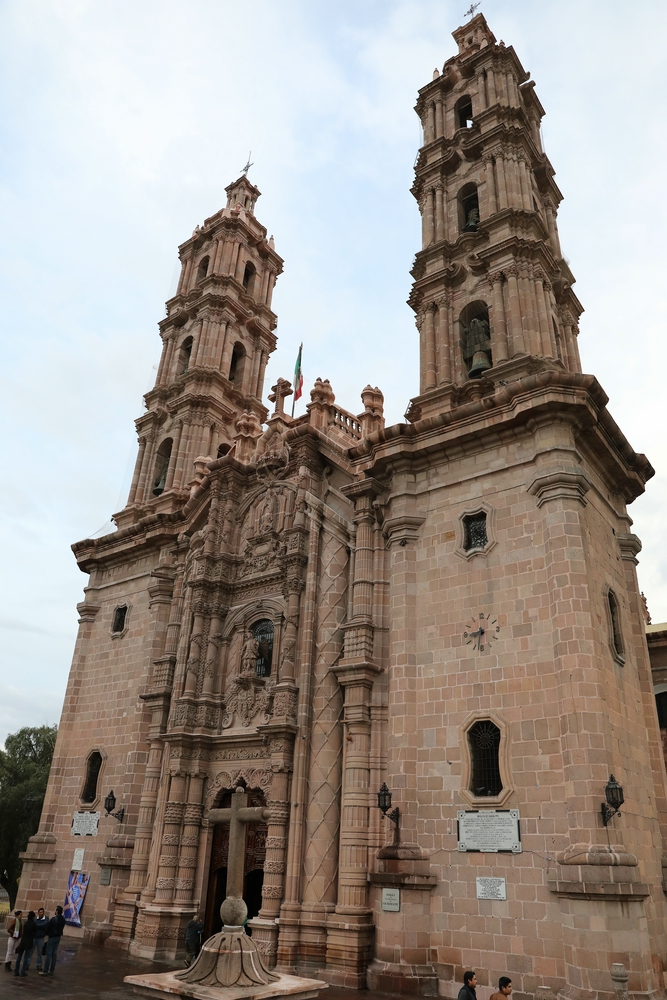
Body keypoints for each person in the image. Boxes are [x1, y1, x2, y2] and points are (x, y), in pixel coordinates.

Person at [41, 905, 65, 976]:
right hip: (58, 937)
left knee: (49, 954)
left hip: (52, 937)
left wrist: (46, 933)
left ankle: (45, 970)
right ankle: (52, 970)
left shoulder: (54, 919)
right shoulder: (63, 919)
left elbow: (47, 927)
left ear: (57, 911)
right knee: (54, 954)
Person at [14, 911, 36, 977]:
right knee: (26, 957)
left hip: (23, 941)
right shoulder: (34, 924)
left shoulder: (25, 923)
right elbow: (34, 933)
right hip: (29, 941)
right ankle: (23, 971)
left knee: (19, 956)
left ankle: (16, 971)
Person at [33, 908, 49, 973]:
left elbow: (44, 924)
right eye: (40, 912)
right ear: (38, 913)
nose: (41, 913)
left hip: (41, 937)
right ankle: (27, 964)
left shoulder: (46, 919)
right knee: (31, 951)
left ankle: (39, 964)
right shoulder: (35, 919)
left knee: (39, 952)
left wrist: (37, 925)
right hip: (34, 937)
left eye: (42, 912)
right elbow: (35, 925)